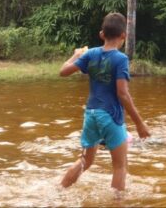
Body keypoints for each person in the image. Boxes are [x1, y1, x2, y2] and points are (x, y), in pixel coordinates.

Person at [59, 12, 151, 192]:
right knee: (120, 166)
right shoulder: (121, 59)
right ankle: (117, 203)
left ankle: (60, 191)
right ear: (123, 35)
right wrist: (139, 123)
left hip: (91, 114)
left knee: (85, 161)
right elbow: (123, 94)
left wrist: (76, 55)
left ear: (102, 34)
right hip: (111, 116)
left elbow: (63, 72)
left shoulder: (91, 54)